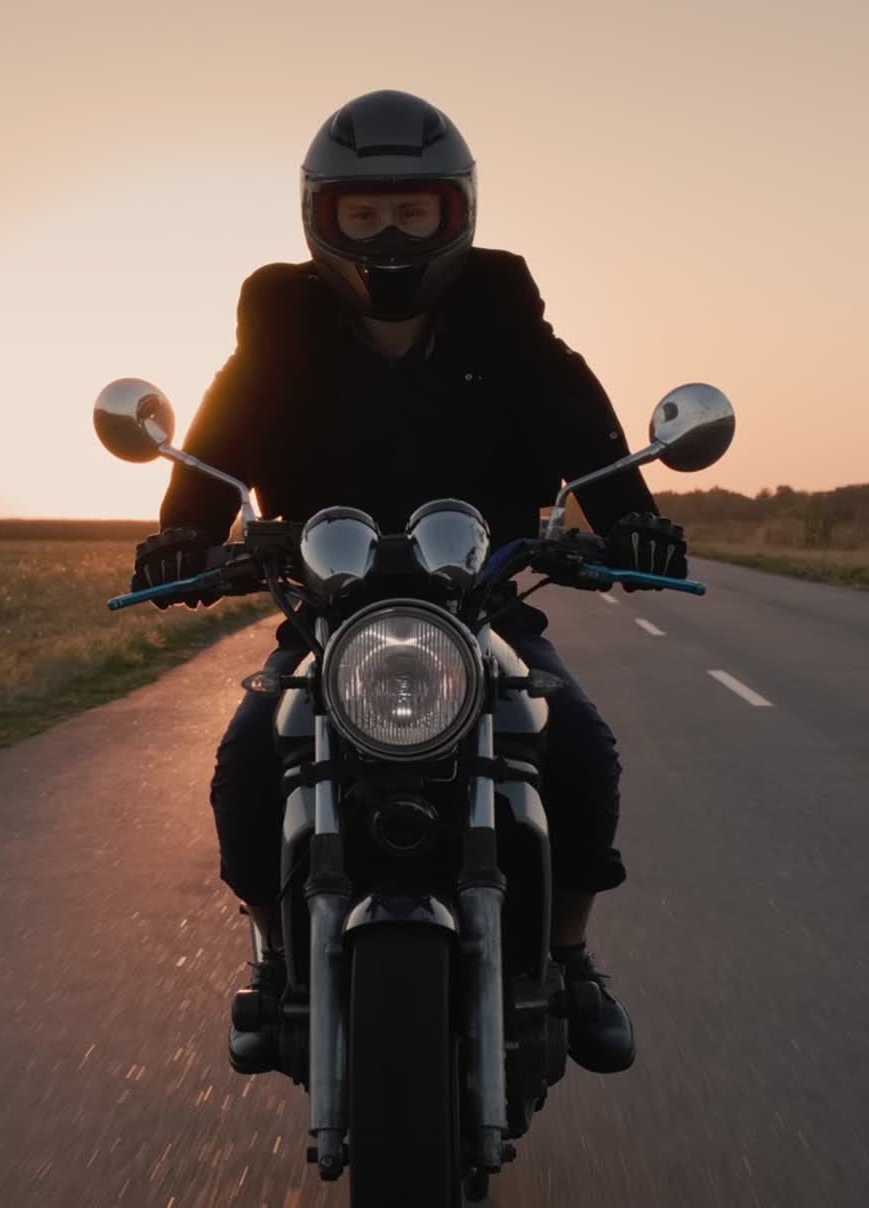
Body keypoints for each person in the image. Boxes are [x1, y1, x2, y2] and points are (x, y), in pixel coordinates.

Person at [131, 89, 687, 1078]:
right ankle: (272, 956)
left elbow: (581, 430)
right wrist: (182, 535)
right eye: (363, 213)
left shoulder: (503, 320)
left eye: (410, 211)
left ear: (453, 211)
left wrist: (631, 520)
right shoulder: (280, 328)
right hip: (327, 619)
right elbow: (220, 440)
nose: (387, 235)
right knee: (251, 760)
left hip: (484, 612)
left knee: (577, 747)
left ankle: (568, 956)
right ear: (322, 217)